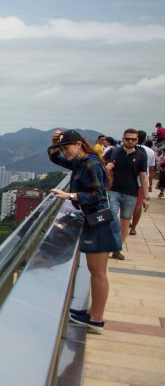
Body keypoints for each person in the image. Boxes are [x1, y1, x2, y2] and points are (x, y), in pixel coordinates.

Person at [48, 129, 118, 333]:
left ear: (79, 144)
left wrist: (69, 196)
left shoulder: (91, 164)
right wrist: (54, 142)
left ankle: (96, 318)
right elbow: (56, 159)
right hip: (94, 219)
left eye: (66, 148)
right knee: (95, 270)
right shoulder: (81, 161)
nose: (64, 152)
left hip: (101, 220)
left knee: (98, 272)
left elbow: (98, 195)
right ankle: (92, 312)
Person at [102, 128, 149, 259]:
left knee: (125, 221)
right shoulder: (114, 151)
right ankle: (108, 244)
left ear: (137, 140)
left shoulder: (141, 155)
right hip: (114, 190)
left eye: (133, 139)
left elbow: (143, 177)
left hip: (131, 192)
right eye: (127, 138)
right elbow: (101, 164)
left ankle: (117, 248)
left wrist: (146, 197)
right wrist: (107, 168)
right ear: (122, 139)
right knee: (111, 215)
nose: (130, 141)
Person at [129, 130, 157, 233]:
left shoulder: (131, 149)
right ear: (145, 139)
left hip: (130, 181)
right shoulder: (150, 152)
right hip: (142, 182)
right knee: (138, 205)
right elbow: (151, 169)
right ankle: (133, 228)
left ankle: (127, 221)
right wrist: (149, 184)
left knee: (127, 203)